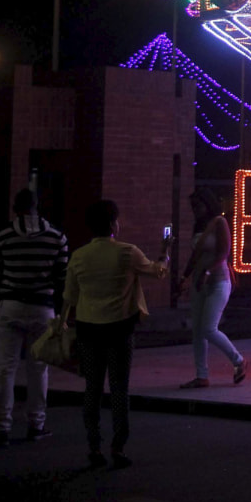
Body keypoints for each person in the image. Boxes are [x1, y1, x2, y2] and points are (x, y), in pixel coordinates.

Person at [62, 199, 170, 469]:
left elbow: (70, 296)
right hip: (120, 328)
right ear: (113, 224)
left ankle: (93, 446)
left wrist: (62, 325)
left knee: (92, 389)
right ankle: (118, 447)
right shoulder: (126, 252)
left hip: (88, 328)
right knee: (119, 388)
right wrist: (165, 254)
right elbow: (157, 273)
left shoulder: (79, 256)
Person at [0, 188, 69, 447]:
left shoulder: (3, 236)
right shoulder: (57, 237)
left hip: (10, 305)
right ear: (37, 206)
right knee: (38, 369)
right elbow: (62, 275)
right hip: (42, 307)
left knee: (5, 368)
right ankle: (36, 424)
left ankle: (2, 426)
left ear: (15, 207)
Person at [177, 189, 246, 389]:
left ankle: (238, 360)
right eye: (192, 207)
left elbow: (224, 253)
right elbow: (194, 256)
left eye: (198, 206)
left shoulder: (219, 222)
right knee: (197, 331)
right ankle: (201, 375)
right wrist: (184, 277)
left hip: (218, 281)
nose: (195, 211)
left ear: (208, 204)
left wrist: (207, 272)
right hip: (199, 283)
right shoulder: (198, 226)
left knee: (209, 328)